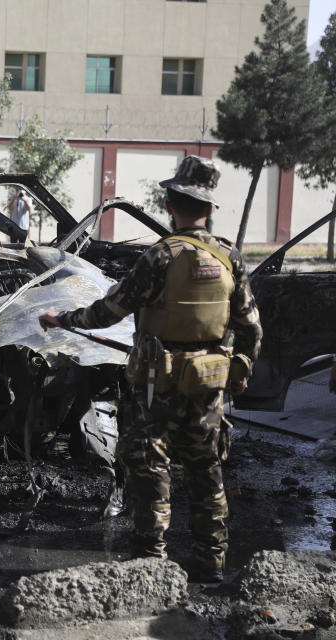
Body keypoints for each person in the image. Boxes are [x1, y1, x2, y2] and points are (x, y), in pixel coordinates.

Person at [37, 156, 262, 584]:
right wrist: (241, 368)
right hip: (209, 386)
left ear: (170, 204)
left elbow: (110, 310)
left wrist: (62, 319)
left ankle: (150, 565)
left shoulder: (161, 256)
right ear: (209, 209)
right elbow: (250, 326)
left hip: (156, 389)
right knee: (206, 469)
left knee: (150, 467)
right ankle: (211, 563)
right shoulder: (230, 258)